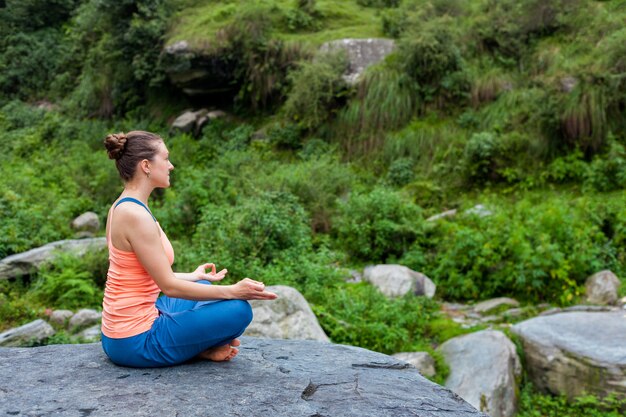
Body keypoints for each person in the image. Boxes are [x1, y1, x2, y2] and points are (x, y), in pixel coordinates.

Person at [101, 130, 277, 368]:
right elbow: (169, 287)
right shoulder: (135, 215)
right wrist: (234, 291)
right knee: (239, 310)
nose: (171, 165)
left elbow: (137, 275)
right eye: (165, 158)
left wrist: (194, 276)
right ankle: (198, 349)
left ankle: (197, 346)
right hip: (135, 341)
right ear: (146, 165)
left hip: (125, 328)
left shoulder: (122, 205)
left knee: (201, 285)